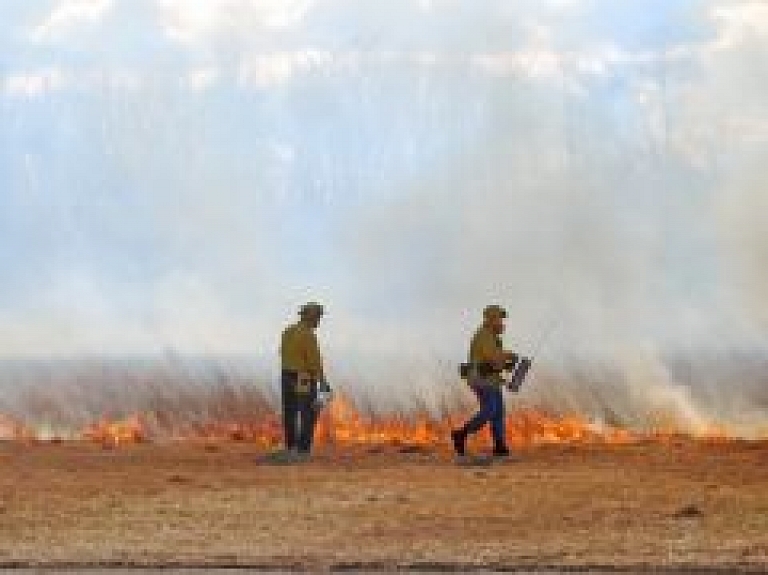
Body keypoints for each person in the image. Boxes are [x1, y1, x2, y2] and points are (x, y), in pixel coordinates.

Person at [451, 305, 518, 460]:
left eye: (502, 319)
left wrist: (506, 369)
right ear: (490, 319)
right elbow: (493, 357)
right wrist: (509, 355)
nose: (502, 323)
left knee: (498, 413)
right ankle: (461, 434)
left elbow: (495, 364)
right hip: (480, 380)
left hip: (491, 380)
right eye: (499, 319)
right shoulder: (483, 335)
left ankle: (500, 447)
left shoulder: (494, 338)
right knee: (490, 410)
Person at [278, 302, 326, 461]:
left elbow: (281, 352)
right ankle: (303, 450)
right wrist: (323, 382)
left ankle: (290, 447)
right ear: (309, 316)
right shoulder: (308, 335)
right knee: (308, 413)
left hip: (286, 375)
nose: (318, 320)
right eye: (317, 317)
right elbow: (314, 362)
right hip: (303, 377)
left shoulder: (287, 331)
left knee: (289, 412)